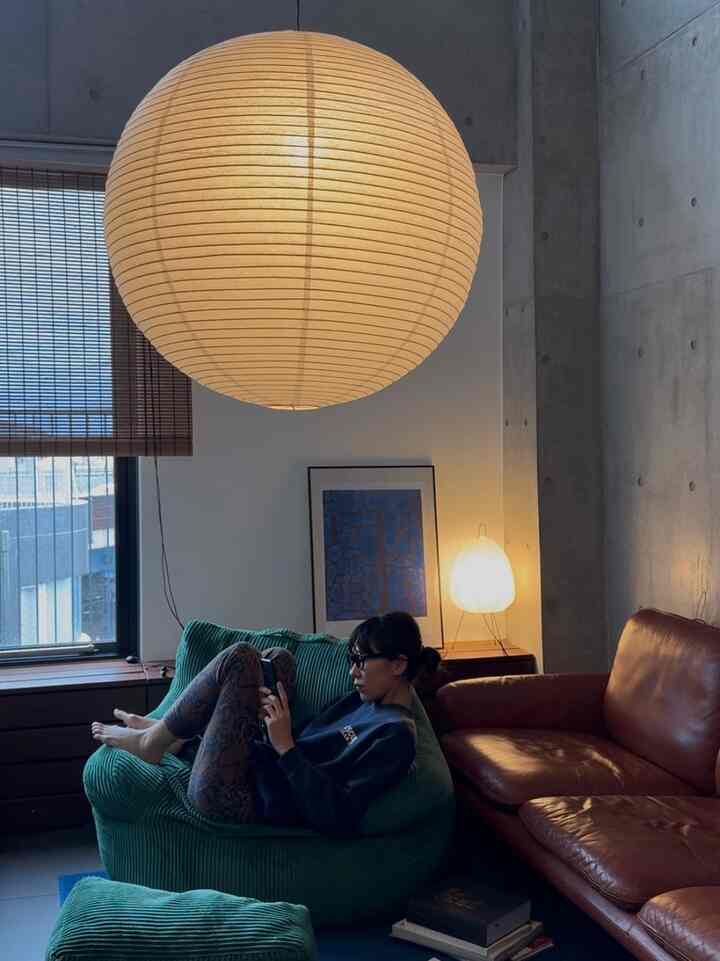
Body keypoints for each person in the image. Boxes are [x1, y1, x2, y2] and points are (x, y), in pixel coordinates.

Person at [91, 611, 441, 835]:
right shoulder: (365, 699)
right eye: (352, 660)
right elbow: (313, 743)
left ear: (397, 665)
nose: (352, 671)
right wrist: (272, 725)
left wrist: (286, 747)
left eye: (362, 661)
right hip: (260, 766)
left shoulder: (395, 738)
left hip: (243, 798)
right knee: (277, 660)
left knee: (241, 657)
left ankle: (155, 741)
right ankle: (174, 735)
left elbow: (340, 814)